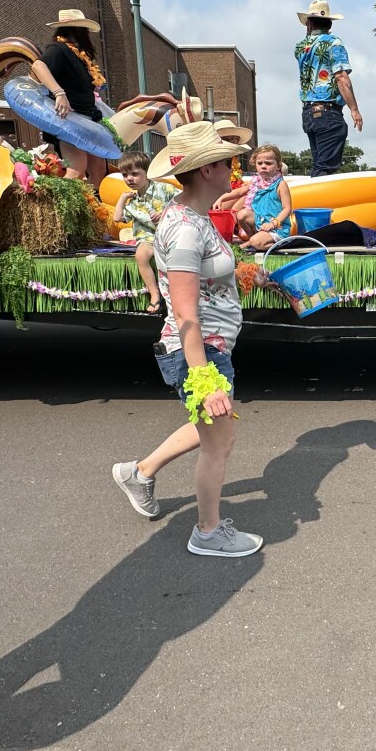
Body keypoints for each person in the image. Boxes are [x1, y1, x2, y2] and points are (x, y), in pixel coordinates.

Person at [110, 121, 263, 558]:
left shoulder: (195, 216)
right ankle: (208, 532)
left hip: (211, 346)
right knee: (220, 441)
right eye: (227, 160)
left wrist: (253, 278)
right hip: (199, 351)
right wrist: (204, 379)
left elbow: (207, 284)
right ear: (208, 170)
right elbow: (184, 314)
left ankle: (140, 473)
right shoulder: (184, 229)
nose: (234, 166)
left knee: (212, 430)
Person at [29, 9, 108, 187]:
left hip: (90, 117)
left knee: (98, 169)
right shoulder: (59, 49)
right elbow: (38, 65)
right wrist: (59, 93)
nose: (86, 34)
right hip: (70, 119)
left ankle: (94, 208)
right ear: (76, 30)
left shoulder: (80, 55)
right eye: (83, 29)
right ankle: (64, 211)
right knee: (77, 170)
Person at [295, 0, 363, 176]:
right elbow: (341, 76)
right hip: (328, 111)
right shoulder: (334, 43)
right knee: (326, 168)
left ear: (309, 23)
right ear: (330, 23)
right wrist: (354, 109)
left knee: (320, 164)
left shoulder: (301, 47)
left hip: (309, 112)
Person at [114, 149, 176, 315]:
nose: (129, 179)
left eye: (135, 174)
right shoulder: (132, 202)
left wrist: (165, 211)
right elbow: (117, 218)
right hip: (147, 238)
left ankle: (177, 294)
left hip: (170, 234)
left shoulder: (164, 189)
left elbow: (185, 202)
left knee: (177, 256)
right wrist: (122, 198)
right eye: (125, 175)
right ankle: (154, 294)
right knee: (141, 255)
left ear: (147, 173)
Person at [219, 144, 292, 248]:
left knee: (256, 242)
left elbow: (287, 208)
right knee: (242, 214)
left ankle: (279, 243)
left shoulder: (280, 184)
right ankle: (253, 239)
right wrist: (222, 198)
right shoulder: (257, 181)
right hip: (260, 222)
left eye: (268, 163)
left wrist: (274, 223)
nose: (263, 166)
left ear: (278, 166)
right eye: (259, 163)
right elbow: (240, 192)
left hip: (277, 228)